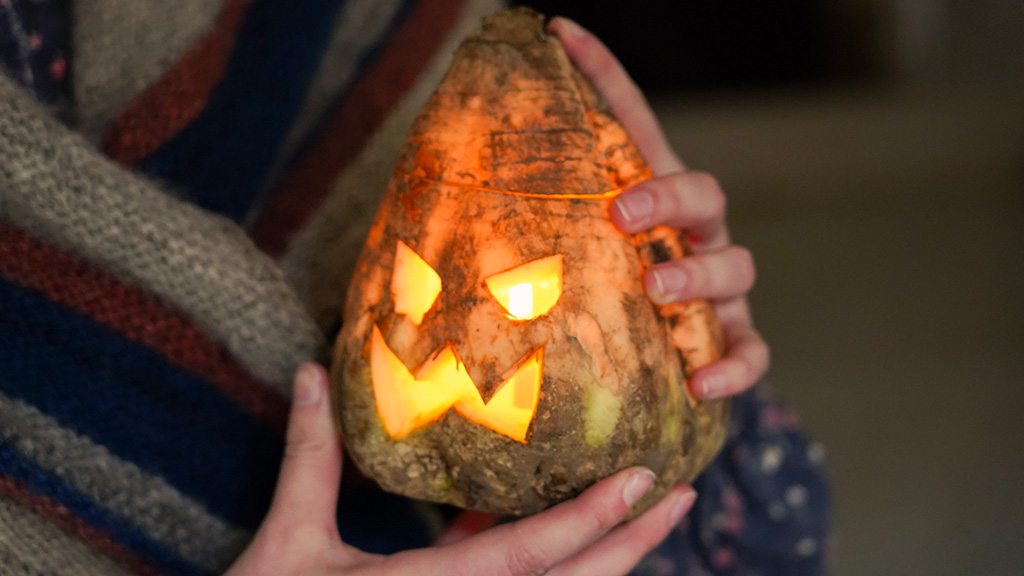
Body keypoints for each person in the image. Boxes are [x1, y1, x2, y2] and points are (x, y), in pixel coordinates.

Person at [0, 1, 828, 575]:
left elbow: (764, 545)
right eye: (420, 289)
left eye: (521, 296)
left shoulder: (411, 49)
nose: (446, 344)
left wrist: (680, 358)